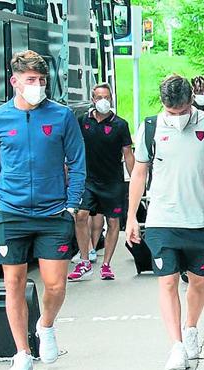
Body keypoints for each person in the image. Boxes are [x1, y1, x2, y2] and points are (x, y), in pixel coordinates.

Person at [0, 50, 85, 370]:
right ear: (15, 82)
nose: (37, 85)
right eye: (30, 80)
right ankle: (22, 353)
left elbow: (78, 162)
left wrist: (71, 203)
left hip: (54, 213)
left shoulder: (61, 116)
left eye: (41, 80)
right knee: (14, 283)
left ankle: (46, 325)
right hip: (10, 211)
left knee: (55, 285)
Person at [126, 75, 204, 370]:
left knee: (199, 282)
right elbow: (139, 174)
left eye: (182, 112)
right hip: (162, 219)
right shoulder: (150, 126)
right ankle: (176, 345)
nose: (176, 117)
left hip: (199, 220)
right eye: (171, 112)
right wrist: (131, 217)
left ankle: (191, 328)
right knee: (167, 282)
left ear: (191, 101)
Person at [68, 83, 134, 281]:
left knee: (112, 221)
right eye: (99, 97)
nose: (103, 100)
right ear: (93, 99)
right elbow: (73, 148)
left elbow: (128, 154)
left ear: (111, 99)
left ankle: (106, 264)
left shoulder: (120, 125)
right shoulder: (82, 121)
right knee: (81, 216)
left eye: (106, 97)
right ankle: (85, 261)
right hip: (88, 179)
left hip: (112, 181)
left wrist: (135, 181)